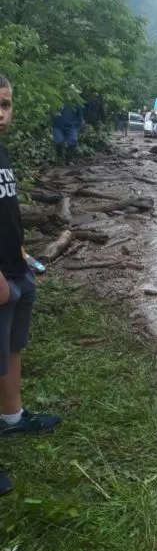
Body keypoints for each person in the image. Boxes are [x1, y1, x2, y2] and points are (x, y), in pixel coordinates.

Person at [0, 74, 62, 496]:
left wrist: (19, 247)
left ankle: (12, 417)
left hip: (15, 267)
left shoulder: (1, 151)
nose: (0, 114)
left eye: (5, 104)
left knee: (13, 347)